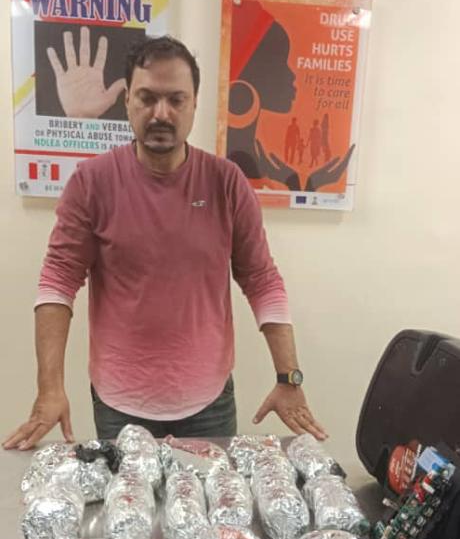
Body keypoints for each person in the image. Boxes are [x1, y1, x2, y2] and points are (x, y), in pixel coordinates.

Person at [3, 36, 327, 450]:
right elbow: (57, 282)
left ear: (194, 104)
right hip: (119, 404)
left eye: (176, 99)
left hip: (210, 403)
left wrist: (289, 378)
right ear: (127, 101)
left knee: (213, 495)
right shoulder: (91, 183)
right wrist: (50, 389)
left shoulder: (226, 182)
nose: (161, 113)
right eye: (147, 98)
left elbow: (261, 279)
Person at [226, 0, 354, 193]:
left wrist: (299, 183)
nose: (292, 75)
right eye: (280, 63)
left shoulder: (251, 162)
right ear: (251, 73)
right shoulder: (237, 170)